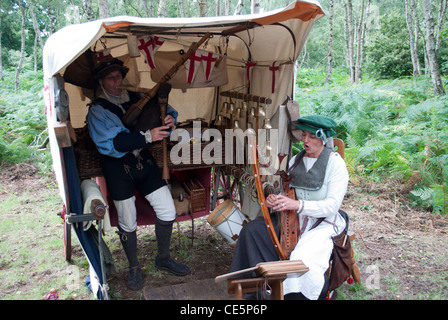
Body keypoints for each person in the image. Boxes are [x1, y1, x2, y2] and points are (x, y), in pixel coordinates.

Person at [86, 58, 190, 291]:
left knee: (167, 209)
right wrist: (147, 136)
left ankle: (163, 258)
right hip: (117, 168)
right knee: (127, 219)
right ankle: (134, 267)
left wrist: (169, 119)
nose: (117, 81)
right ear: (101, 81)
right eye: (111, 78)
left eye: (119, 76)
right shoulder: (97, 110)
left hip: (144, 162)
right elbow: (114, 141)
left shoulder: (137, 99)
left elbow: (163, 113)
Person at [229, 115, 349, 300]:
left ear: (323, 138)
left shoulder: (336, 165)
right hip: (295, 219)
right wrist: (278, 200)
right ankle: (256, 291)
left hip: (323, 223)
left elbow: (332, 207)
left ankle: (295, 294)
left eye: (311, 137)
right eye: (304, 135)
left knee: (301, 260)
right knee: (251, 231)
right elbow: (289, 192)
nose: (305, 140)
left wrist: (297, 205)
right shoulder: (296, 161)